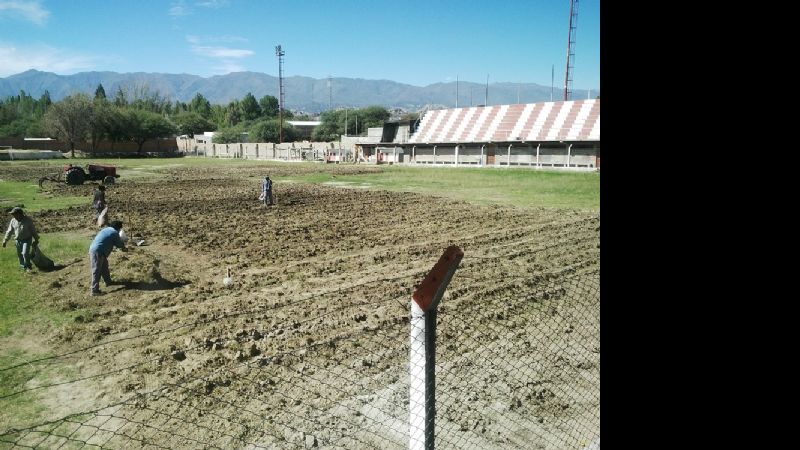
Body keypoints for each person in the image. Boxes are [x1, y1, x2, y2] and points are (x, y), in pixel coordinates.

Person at [88, 220, 127, 296]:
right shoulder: (114, 233)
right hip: (97, 251)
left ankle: (108, 282)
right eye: (120, 229)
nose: (120, 230)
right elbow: (119, 244)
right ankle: (94, 290)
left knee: (104, 267)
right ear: (118, 228)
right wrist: (124, 247)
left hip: (98, 250)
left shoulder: (106, 229)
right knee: (96, 270)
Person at [2, 207, 40, 272]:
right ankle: (23, 267)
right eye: (12, 214)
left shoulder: (28, 220)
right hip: (18, 240)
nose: (13, 216)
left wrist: (36, 239)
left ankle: (28, 266)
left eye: (14, 214)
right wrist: (5, 240)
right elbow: (9, 231)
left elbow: (33, 230)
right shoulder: (13, 221)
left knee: (25, 253)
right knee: (20, 255)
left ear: (20, 214)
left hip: (27, 240)